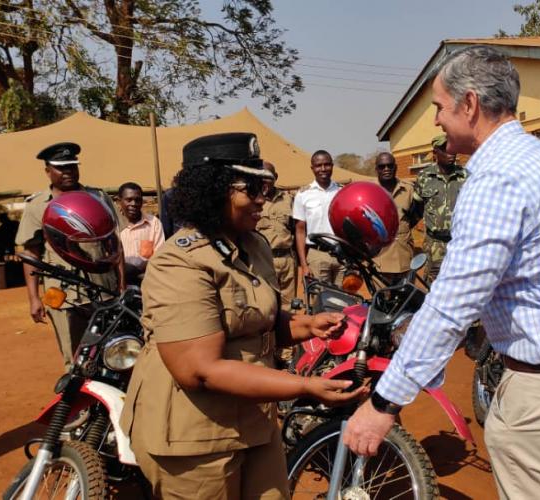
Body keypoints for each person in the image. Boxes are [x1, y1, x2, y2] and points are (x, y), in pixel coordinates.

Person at [343, 46, 540, 500]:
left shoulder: (495, 179)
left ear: (469, 104)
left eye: (438, 107)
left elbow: (453, 305)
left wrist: (383, 402)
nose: (435, 120)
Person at [120, 133, 367, 500]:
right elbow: (199, 368)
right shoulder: (180, 260)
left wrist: (306, 326)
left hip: (255, 420)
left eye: (264, 187)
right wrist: (304, 388)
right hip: (195, 437)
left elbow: (258, 320)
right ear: (214, 189)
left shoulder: (253, 245)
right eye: (250, 187)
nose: (261, 199)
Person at [15, 142, 124, 368]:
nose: (68, 172)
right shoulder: (38, 206)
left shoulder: (98, 198)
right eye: (62, 168)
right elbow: (31, 253)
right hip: (65, 296)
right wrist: (34, 298)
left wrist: (121, 285)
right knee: (75, 359)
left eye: (72, 167)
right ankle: (80, 402)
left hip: (104, 290)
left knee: (112, 351)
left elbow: (115, 244)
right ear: (48, 171)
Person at [411, 134, 467, 283]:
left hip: (460, 243)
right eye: (445, 149)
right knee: (434, 286)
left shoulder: (465, 176)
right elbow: (416, 208)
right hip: (434, 245)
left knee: (461, 284)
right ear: (435, 153)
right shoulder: (424, 177)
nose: (451, 152)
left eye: (452, 148)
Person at [293, 150, 345, 286]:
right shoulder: (303, 194)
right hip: (317, 256)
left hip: (343, 256)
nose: (323, 169)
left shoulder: (343, 191)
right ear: (312, 168)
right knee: (319, 302)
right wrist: (304, 265)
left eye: (327, 165)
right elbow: (300, 231)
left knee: (346, 302)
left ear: (332, 166)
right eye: (318, 165)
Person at [371, 152, 418, 282]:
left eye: (390, 166)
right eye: (382, 166)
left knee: (407, 298)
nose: (386, 169)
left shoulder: (408, 190)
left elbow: (414, 217)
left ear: (395, 167)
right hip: (380, 259)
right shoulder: (370, 191)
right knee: (382, 300)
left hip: (404, 255)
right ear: (376, 169)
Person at [257, 162, 297, 310]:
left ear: (275, 177)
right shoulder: (254, 201)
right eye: (261, 176)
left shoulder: (289, 200)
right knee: (266, 303)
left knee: (289, 306)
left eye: (268, 176)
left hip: (287, 260)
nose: (264, 180)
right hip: (263, 259)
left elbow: (297, 229)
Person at [117, 182, 165, 285]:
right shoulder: (113, 224)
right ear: (119, 201)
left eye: (137, 200)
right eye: (129, 200)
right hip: (118, 280)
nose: (134, 204)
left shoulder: (153, 223)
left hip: (147, 279)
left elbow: (159, 256)